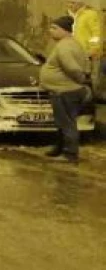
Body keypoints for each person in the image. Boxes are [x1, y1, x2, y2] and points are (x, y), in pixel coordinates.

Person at [41, 16, 90, 163]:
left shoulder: (65, 47)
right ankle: (60, 148)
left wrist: (82, 79)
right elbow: (86, 64)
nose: (51, 31)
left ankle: (70, 154)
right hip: (64, 90)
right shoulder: (72, 44)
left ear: (65, 30)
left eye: (54, 28)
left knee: (67, 123)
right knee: (62, 122)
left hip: (65, 91)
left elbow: (72, 67)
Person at [66, 0, 102, 97]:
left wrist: (93, 49)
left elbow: (96, 34)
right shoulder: (70, 15)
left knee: (89, 76)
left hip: (86, 52)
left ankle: (90, 98)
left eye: (72, 3)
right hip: (73, 51)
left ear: (80, 4)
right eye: (68, 2)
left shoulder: (90, 14)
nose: (70, 5)